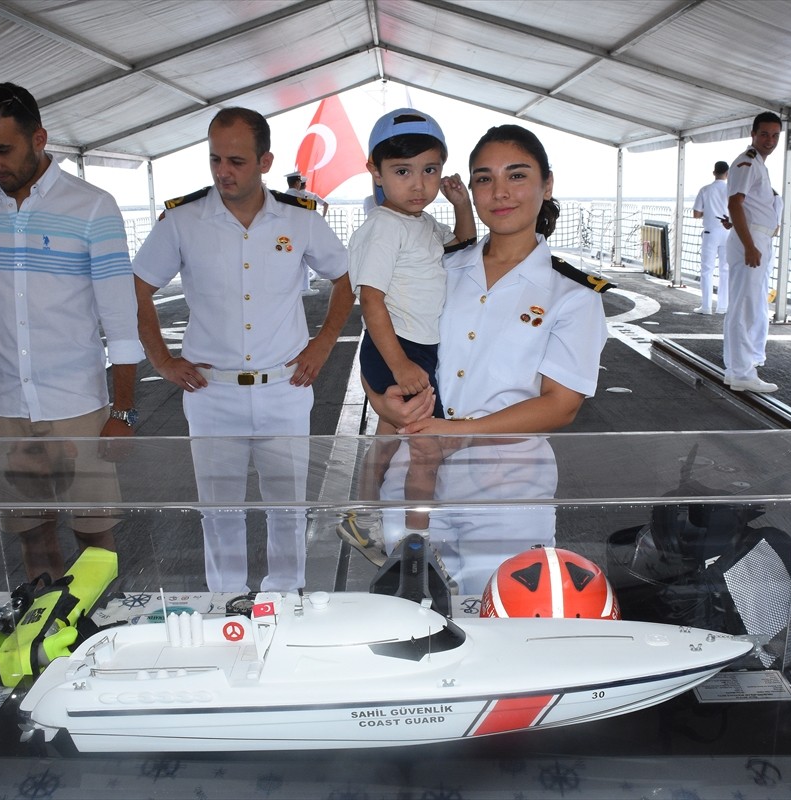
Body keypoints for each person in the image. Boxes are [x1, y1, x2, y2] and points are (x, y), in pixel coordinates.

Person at [357, 125, 608, 568]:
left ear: (547, 184)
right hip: (412, 475)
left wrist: (452, 435)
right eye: (484, 178)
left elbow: (561, 405)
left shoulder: (572, 294)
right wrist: (383, 403)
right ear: (471, 190)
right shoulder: (440, 266)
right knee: (408, 604)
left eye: (517, 175)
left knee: (498, 606)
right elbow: (380, 344)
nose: (500, 192)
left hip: (508, 490)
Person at [132, 106, 353, 593]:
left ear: (265, 162)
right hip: (211, 393)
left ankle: (286, 600)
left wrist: (323, 344)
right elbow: (138, 286)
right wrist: (162, 360)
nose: (223, 172)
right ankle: (225, 604)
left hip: (284, 388)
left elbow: (345, 278)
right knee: (219, 512)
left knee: (288, 509)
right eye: (215, 159)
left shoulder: (300, 219)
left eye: (236, 161)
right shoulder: (182, 220)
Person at [0, 83, 144, 581]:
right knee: (30, 533)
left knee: (95, 535)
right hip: (2, 402)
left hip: (77, 403)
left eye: (2, 149)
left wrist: (122, 412)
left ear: (39, 139)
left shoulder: (93, 206)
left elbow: (121, 319)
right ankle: (43, 622)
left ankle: (94, 623)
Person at [338, 108, 475, 553]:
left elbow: (463, 246)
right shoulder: (383, 227)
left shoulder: (421, 223)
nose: (418, 184)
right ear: (375, 171)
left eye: (429, 170)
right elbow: (370, 301)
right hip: (398, 349)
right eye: (402, 171)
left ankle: (361, 515)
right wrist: (400, 365)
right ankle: (418, 543)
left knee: (386, 440)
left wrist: (462, 205)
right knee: (425, 450)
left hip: (413, 349)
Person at [722, 112, 783, 394]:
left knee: (747, 304)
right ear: (753, 134)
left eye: (775, 135)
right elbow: (735, 203)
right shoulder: (747, 162)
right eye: (765, 134)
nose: (770, 140)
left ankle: (737, 369)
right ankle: (742, 372)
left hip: (756, 237)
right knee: (745, 307)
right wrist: (749, 246)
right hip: (752, 239)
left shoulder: (757, 164)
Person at [692, 161, 730, 314]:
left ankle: (706, 307)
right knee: (725, 270)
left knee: (707, 270)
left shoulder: (705, 190)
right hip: (728, 232)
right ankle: (723, 307)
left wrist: (708, 212)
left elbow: (696, 214)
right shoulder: (731, 190)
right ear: (727, 174)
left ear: (714, 173)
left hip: (710, 232)